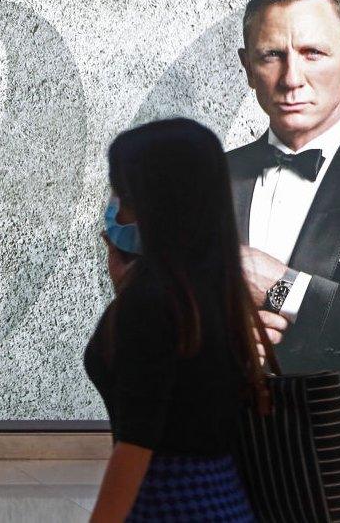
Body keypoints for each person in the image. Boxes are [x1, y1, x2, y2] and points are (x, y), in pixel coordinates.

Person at [86, 119, 265, 522]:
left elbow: (137, 444)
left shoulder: (154, 302)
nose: (120, 207)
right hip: (223, 498)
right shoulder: (215, 291)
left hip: (165, 503)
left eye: (127, 195)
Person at [229, 0, 340, 418]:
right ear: (248, 67)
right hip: (221, 452)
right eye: (272, 55)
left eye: (313, 53)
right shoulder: (205, 181)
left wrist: (284, 290)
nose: (292, 78)